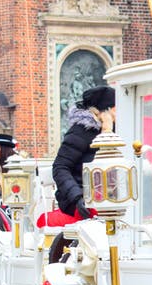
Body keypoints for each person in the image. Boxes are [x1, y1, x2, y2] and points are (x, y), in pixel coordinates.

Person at [43, 85, 113, 227]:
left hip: (107, 198)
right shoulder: (81, 131)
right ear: (105, 111)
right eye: (115, 108)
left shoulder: (119, 130)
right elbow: (60, 167)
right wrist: (78, 197)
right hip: (79, 202)